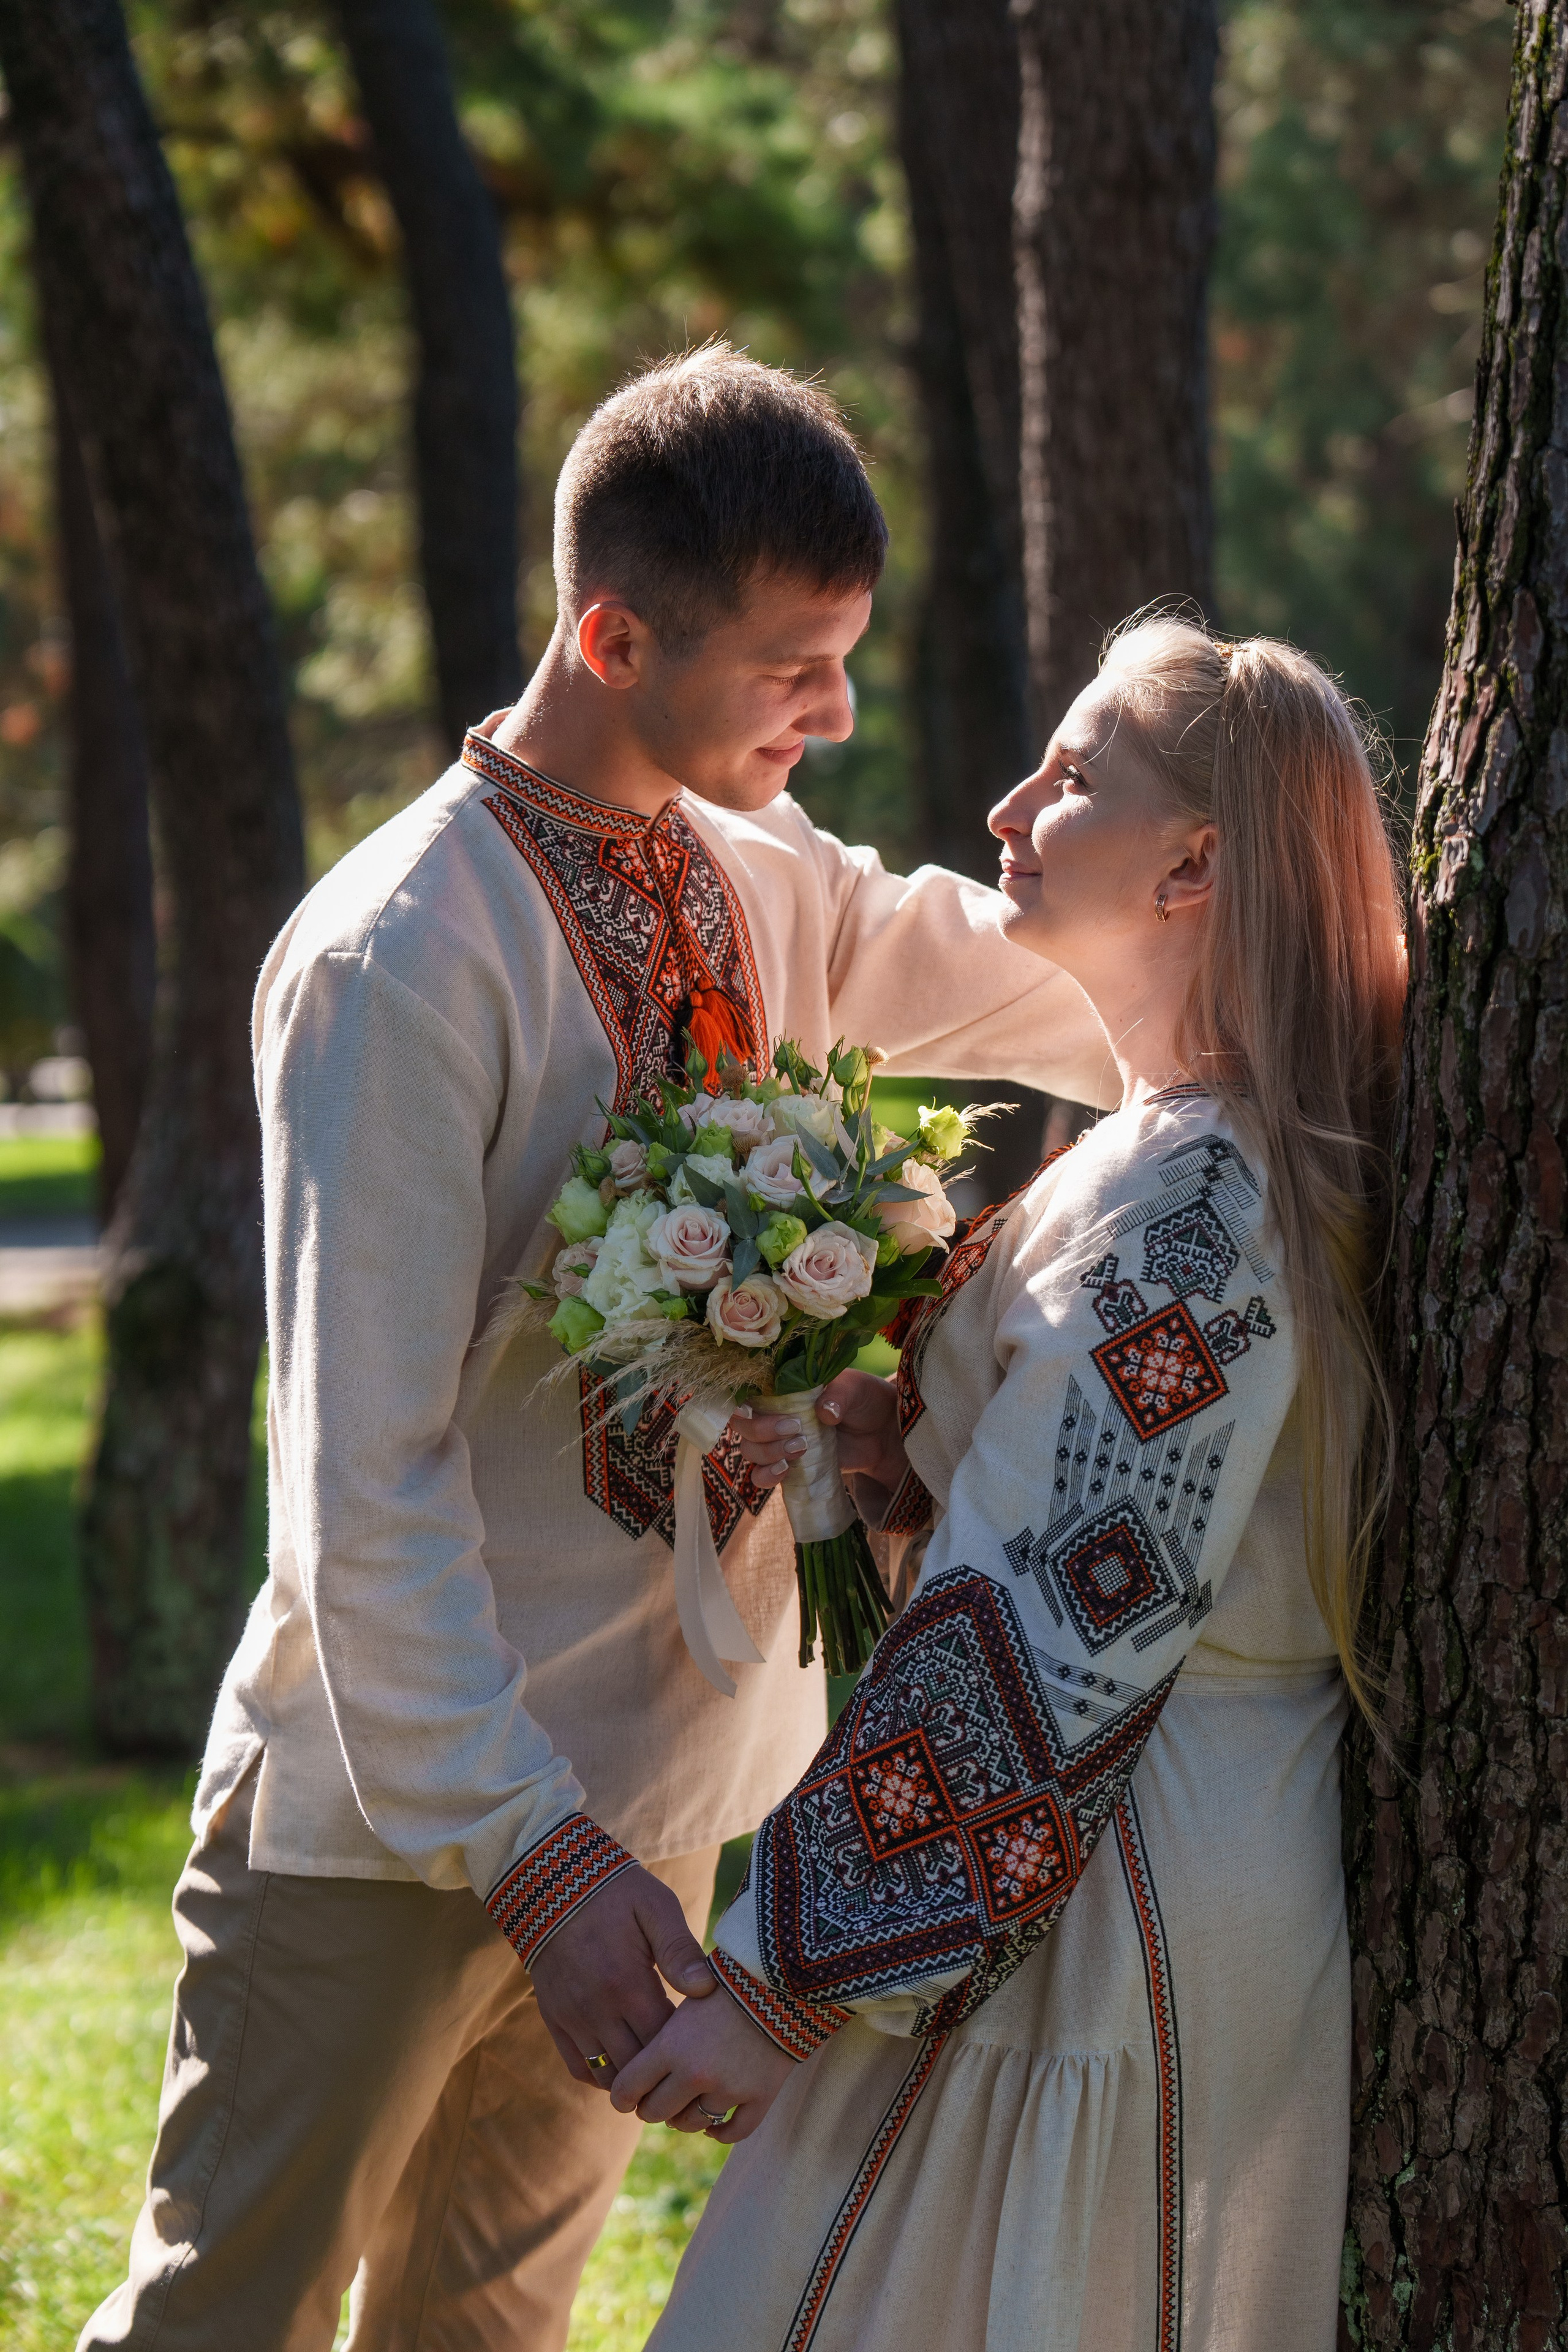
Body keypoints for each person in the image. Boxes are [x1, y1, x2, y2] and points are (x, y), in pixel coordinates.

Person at [80, 344, 1116, 2352]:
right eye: (790, 668)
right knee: (235, 2321)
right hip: (398, 1819)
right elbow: (356, 1494)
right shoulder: (404, 955)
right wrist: (532, 1861)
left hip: (648, 1807)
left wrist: (1291, 996)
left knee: (490, 2334)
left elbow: (1030, 983)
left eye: (847, 660)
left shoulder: (763, 868)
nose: (833, 713)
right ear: (613, 632)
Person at [612, 614, 1408, 2352]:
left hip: (1112, 1875)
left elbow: (1060, 1632)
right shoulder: (1161, 1159)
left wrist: (786, 1980)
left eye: (1074, 774)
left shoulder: (1194, 1209)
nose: (1007, 803)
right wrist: (894, 1465)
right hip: (1083, 1849)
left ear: (1195, 861)